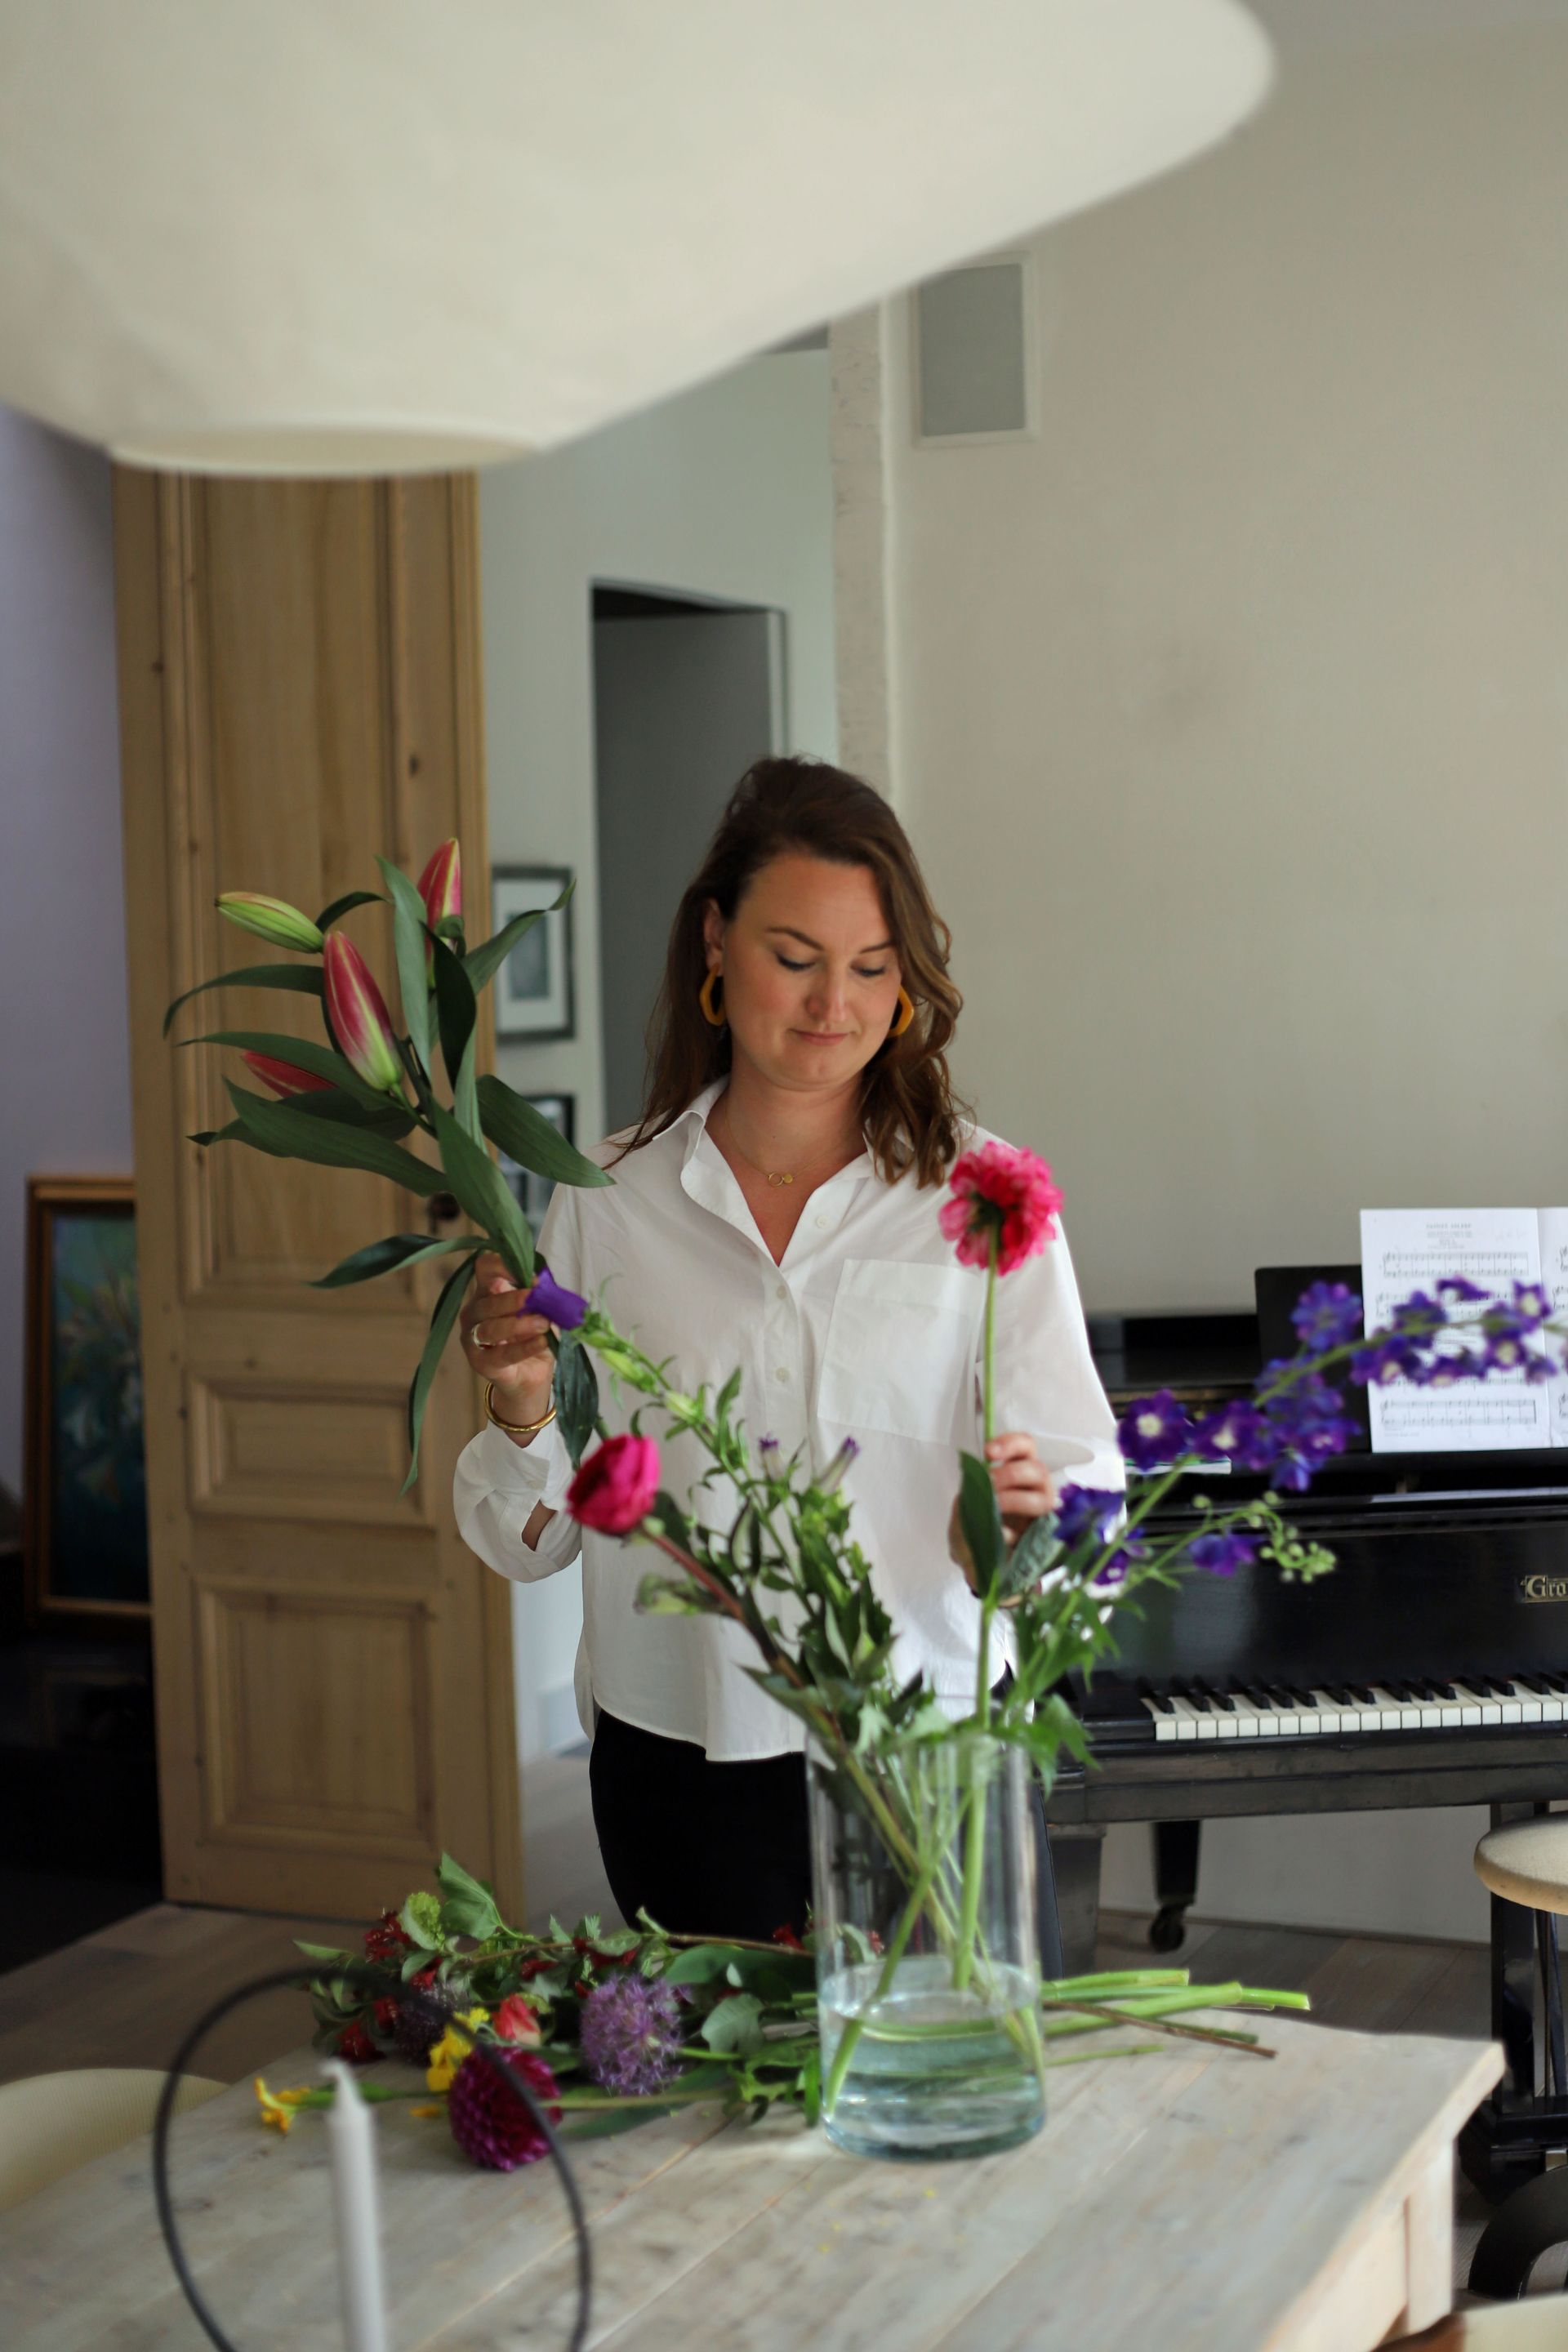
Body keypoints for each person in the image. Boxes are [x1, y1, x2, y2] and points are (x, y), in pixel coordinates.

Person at [453, 756, 1121, 1955]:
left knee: (945, 2074)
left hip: (928, 1754)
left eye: (872, 966)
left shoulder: (983, 1193)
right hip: (678, 1753)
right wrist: (519, 1415)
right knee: (706, 2082)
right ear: (716, 941)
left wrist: (1020, 1542)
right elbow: (534, 1543)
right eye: (796, 957)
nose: (834, 1004)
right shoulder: (604, 1198)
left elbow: (1082, 1487)